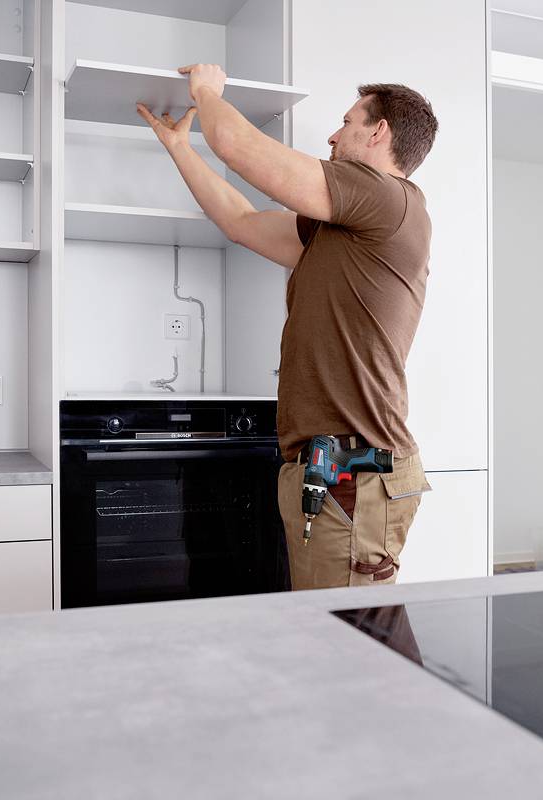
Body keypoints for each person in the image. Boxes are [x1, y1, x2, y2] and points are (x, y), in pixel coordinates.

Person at [139, 64, 438, 589]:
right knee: (344, 636)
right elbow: (243, 223)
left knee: (343, 644)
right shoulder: (344, 226)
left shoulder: (387, 198)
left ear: (379, 130)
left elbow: (234, 144)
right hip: (332, 470)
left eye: (346, 121)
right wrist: (181, 148)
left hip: (354, 473)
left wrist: (208, 91)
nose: (331, 134)